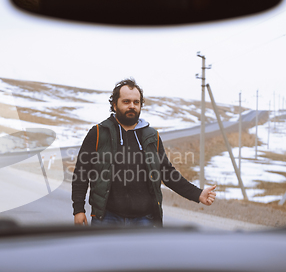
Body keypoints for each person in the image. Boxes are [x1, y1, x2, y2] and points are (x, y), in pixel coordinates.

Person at [72, 78, 216, 226]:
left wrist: (198, 194)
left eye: (136, 102)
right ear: (115, 105)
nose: (132, 106)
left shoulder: (151, 136)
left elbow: (167, 172)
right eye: (126, 102)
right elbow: (81, 173)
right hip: (107, 218)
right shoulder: (98, 133)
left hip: (144, 220)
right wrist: (78, 209)